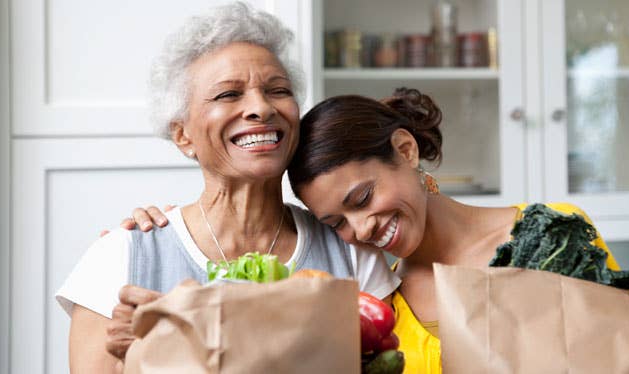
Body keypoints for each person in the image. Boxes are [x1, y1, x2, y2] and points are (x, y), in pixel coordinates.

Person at [126, 87, 620, 373]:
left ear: (405, 150)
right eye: (335, 223)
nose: (362, 229)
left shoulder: (552, 232)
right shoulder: (378, 304)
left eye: (362, 199)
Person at [55, 3, 400, 373]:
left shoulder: (351, 251)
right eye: (228, 95)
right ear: (183, 135)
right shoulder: (120, 257)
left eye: (278, 90)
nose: (261, 108)